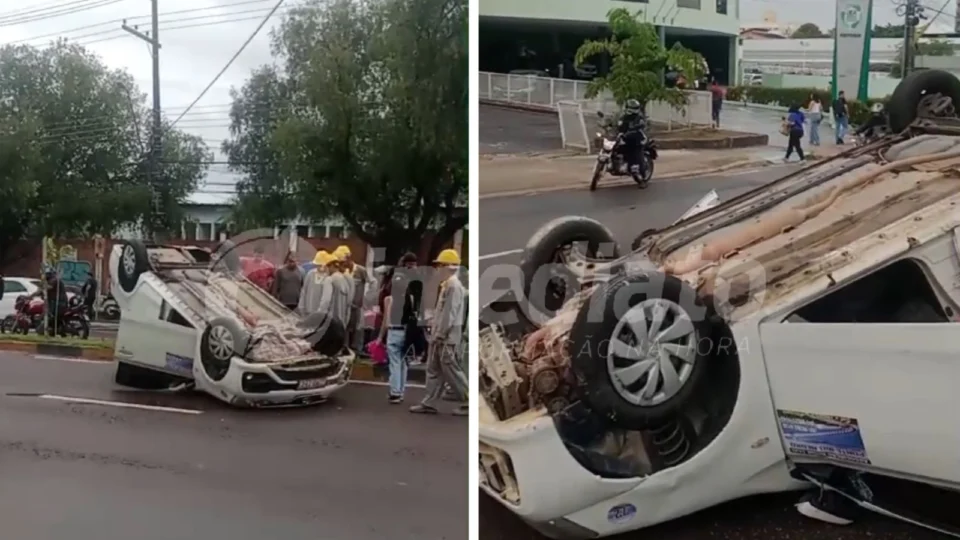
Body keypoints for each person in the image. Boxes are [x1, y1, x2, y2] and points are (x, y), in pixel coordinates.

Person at [410, 249, 468, 416]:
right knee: (433, 370)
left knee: (453, 373)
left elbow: (449, 314)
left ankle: (469, 401)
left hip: (446, 338)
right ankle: (429, 402)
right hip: (440, 337)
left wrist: (440, 334)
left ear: (448, 267)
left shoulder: (454, 286)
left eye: (439, 266)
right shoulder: (448, 286)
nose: (437, 269)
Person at [378, 252, 421, 404]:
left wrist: (379, 337)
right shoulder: (411, 296)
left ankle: (395, 392)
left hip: (394, 330)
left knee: (395, 362)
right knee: (403, 363)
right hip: (407, 330)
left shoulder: (390, 299)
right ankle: (401, 390)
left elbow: (385, 319)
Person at [335, 245, 370, 351]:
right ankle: (344, 348)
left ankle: (357, 350)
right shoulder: (340, 272)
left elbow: (371, 284)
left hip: (357, 306)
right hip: (345, 306)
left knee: (357, 328)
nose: (341, 264)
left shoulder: (360, 271)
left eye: (342, 262)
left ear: (349, 258)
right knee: (344, 327)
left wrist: (364, 298)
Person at [617, 98, 647, 178]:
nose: (631, 110)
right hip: (625, 136)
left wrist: (634, 128)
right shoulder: (623, 116)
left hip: (637, 138)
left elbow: (642, 124)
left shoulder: (639, 117)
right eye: (630, 107)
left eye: (634, 108)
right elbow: (618, 124)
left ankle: (642, 177)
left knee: (636, 155)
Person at [298, 250, 333, 316]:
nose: (320, 267)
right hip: (308, 310)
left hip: (320, 313)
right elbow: (304, 291)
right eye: (318, 265)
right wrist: (301, 306)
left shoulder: (328, 277)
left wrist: (320, 311)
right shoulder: (310, 274)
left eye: (322, 265)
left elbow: (326, 298)